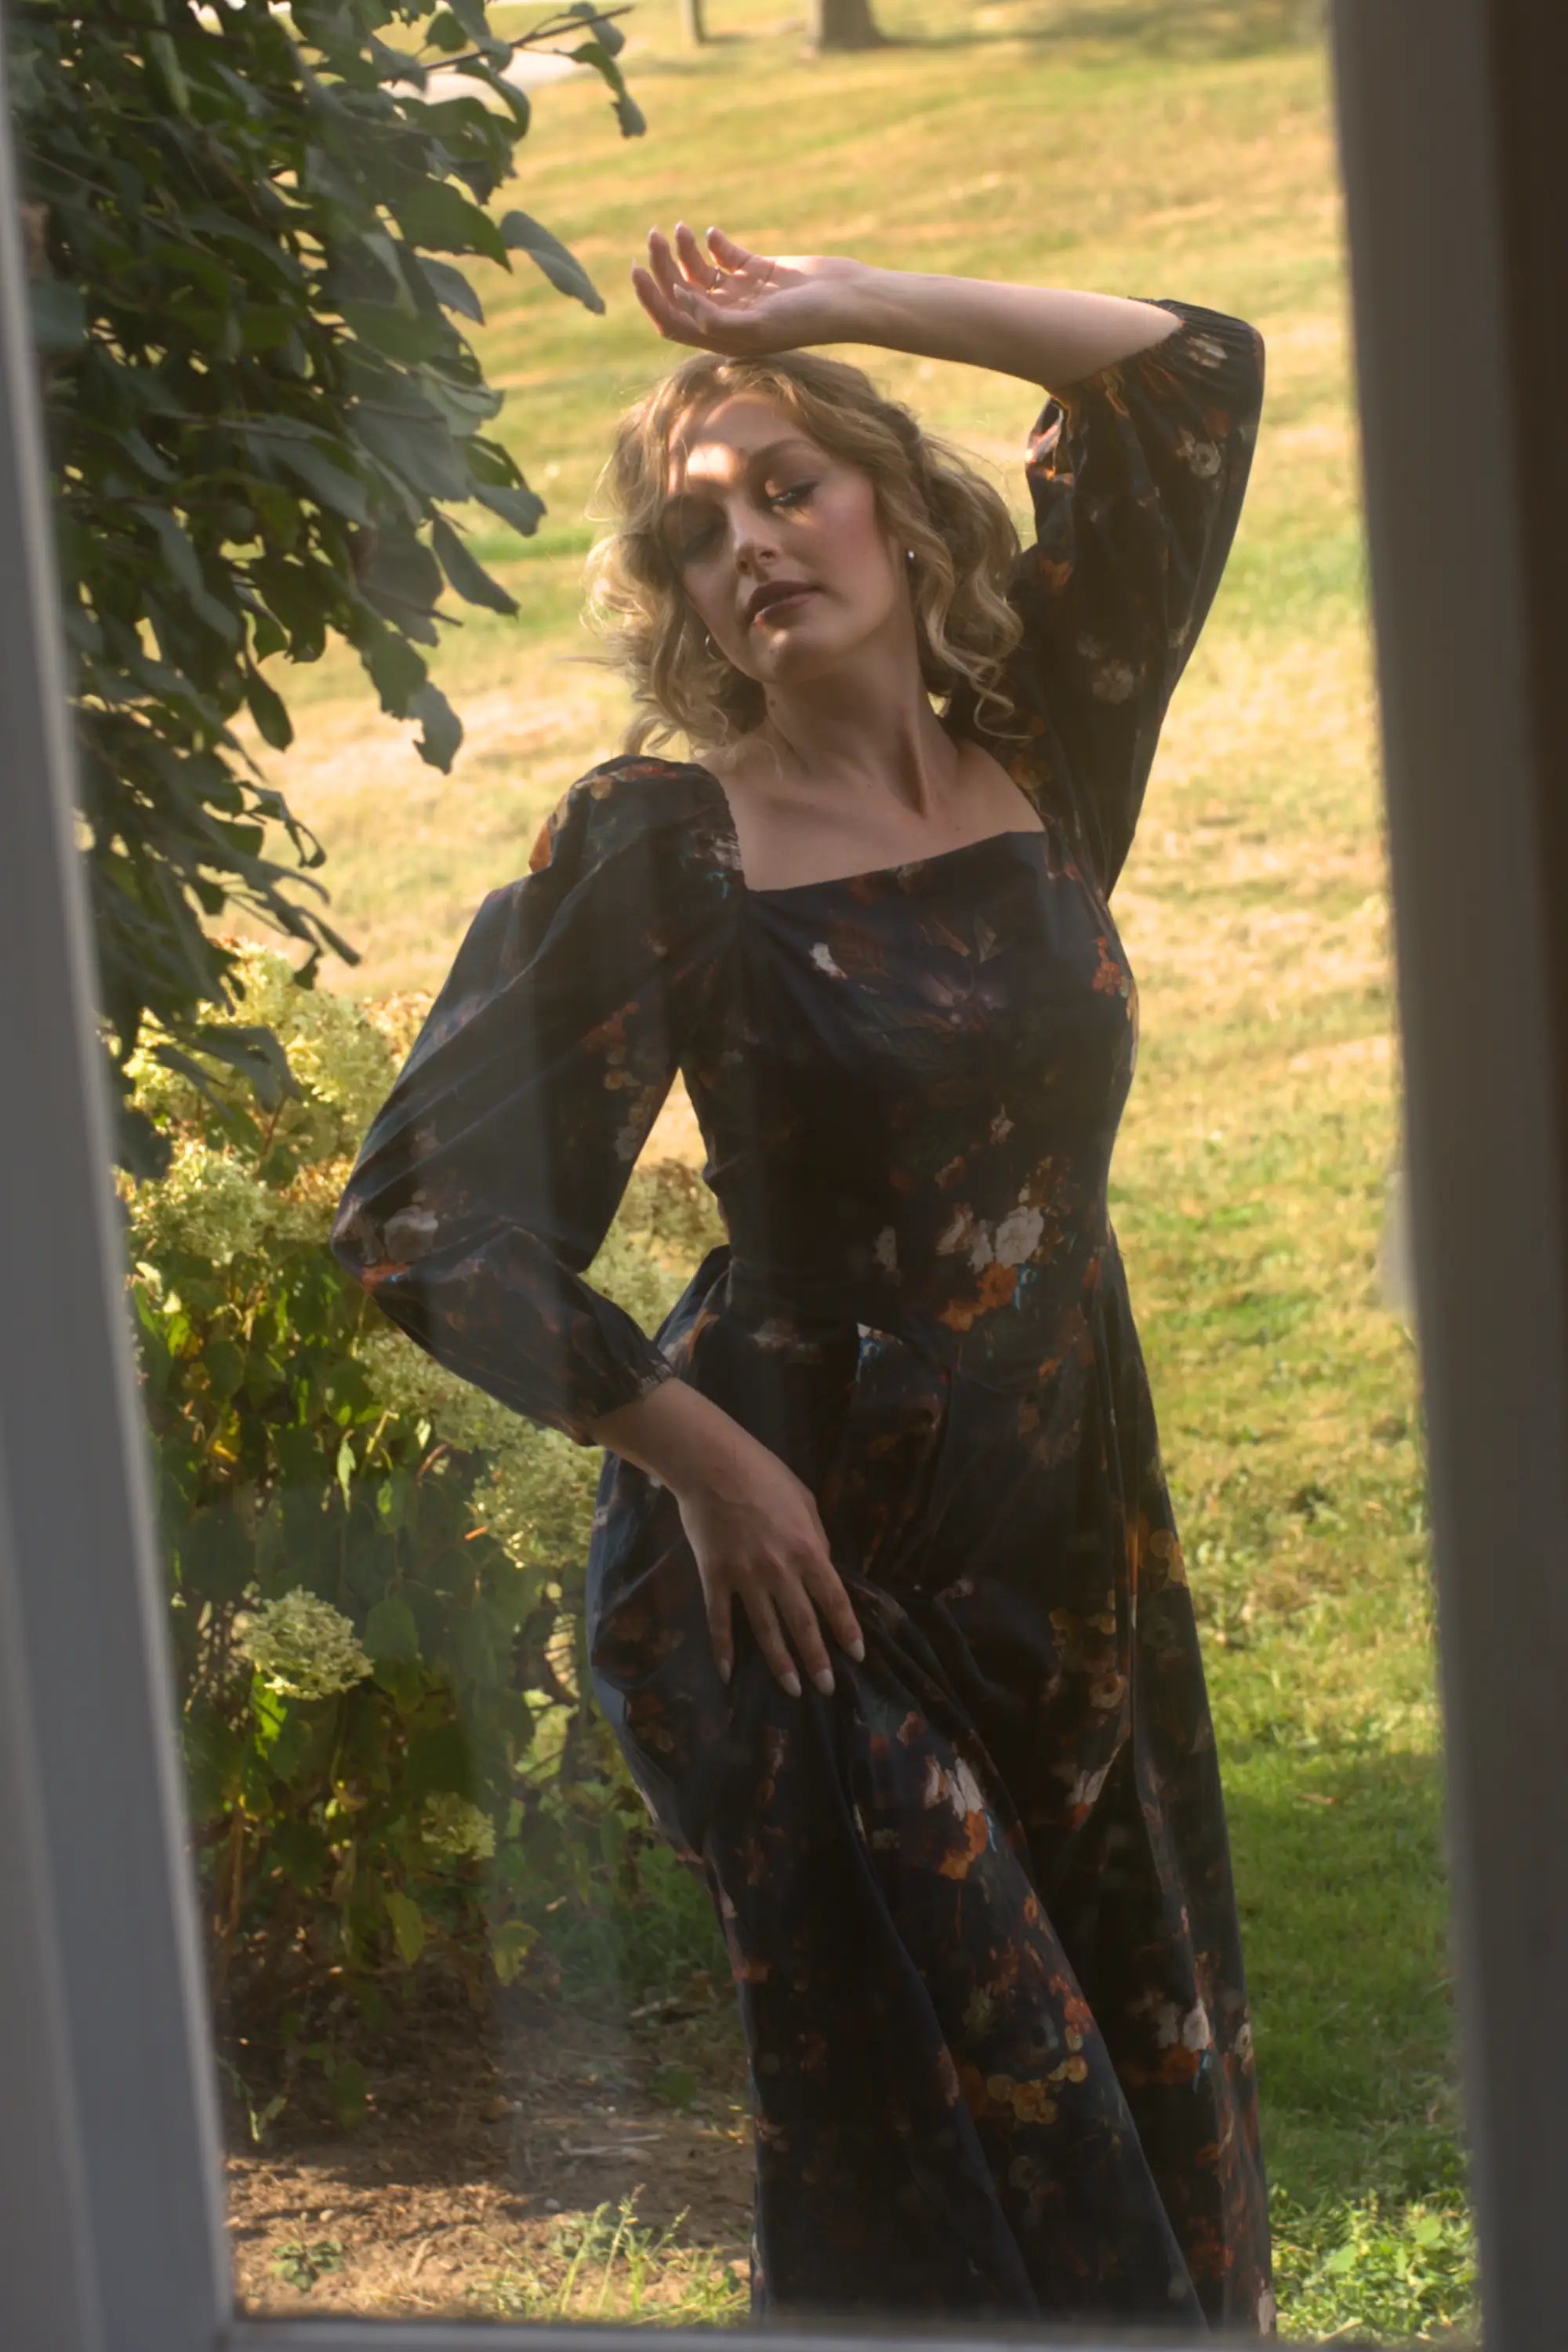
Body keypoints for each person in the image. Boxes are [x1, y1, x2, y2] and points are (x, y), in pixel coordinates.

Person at [331, 223, 1272, 2335]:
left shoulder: (1051, 753)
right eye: (692, 533)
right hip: (802, 1579)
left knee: (1143, 2097)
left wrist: (822, 306)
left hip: (1068, 1537)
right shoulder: (673, 853)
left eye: (787, 482)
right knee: (977, 2170)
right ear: (679, 616)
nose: (746, 540)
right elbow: (421, 1216)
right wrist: (706, 1470)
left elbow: (1194, 371)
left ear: (894, 503)